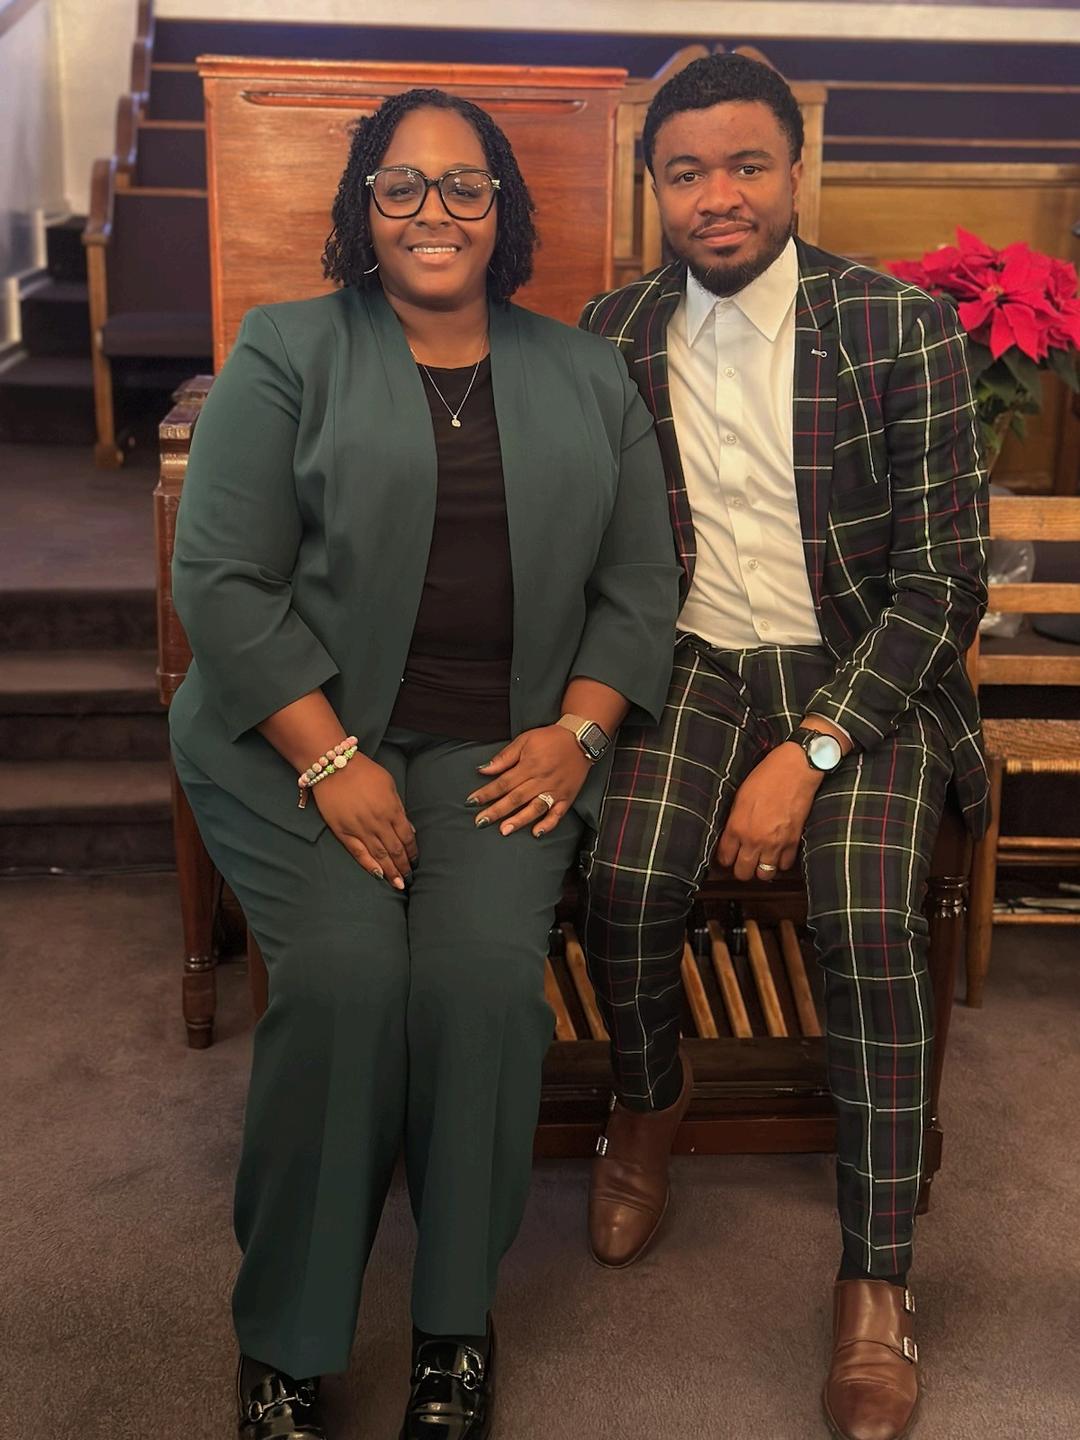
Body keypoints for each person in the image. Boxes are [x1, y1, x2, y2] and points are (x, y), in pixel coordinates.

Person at [169, 88, 679, 1440]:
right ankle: (286, 1340)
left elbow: (639, 585)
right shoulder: (289, 349)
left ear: (502, 208)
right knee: (345, 982)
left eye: (463, 186)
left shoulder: (586, 372)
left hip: (500, 749)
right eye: (401, 186)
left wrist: (578, 734)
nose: (432, 211)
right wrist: (332, 756)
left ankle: (455, 1327)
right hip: (294, 737)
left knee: (480, 988)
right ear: (364, 207)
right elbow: (218, 578)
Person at [579, 54, 988, 1440]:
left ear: (797, 171)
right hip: (692, 660)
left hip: (863, 667)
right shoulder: (615, 331)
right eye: (686, 172)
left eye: (747, 165)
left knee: (865, 914)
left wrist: (811, 749)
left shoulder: (896, 325)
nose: (720, 196)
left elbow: (944, 585)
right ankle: (649, 1101)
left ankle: (876, 1279)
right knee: (627, 878)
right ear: (653, 188)